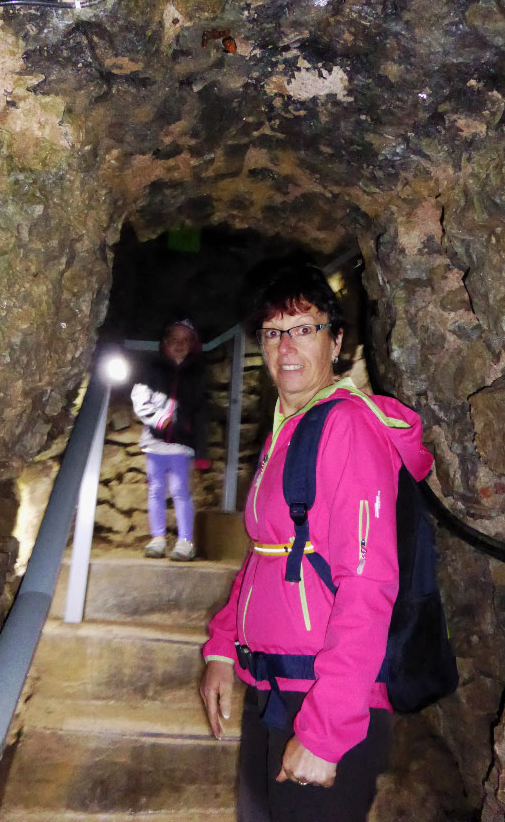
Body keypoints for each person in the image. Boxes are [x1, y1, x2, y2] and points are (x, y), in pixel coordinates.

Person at [199, 264, 434, 821]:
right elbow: (267, 554)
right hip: (274, 687)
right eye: (273, 332)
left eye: (304, 329)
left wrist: (326, 733)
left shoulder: (346, 428)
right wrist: (223, 647)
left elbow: (368, 585)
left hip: (323, 699)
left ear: (336, 341)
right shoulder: (288, 428)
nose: (286, 347)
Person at [131, 317, 210, 561]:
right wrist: (157, 419)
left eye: (185, 340)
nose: (179, 344)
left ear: (193, 344)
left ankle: (185, 541)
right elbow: (139, 398)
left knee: (179, 490)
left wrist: (202, 452)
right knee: (155, 489)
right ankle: (158, 538)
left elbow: (201, 415)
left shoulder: (197, 374)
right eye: (174, 339)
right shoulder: (152, 370)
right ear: (165, 342)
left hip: (180, 444)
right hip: (155, 442)